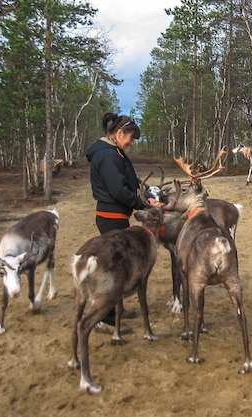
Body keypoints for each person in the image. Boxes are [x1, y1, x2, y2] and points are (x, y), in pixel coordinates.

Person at [85, 112, 150, 333]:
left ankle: (117, 310)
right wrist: (142, 204)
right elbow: (118, 190)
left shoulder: (114, 153)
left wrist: (145, 191)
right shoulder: (109, 156)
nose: (131, 143)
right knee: (112, 269)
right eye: (131, 138)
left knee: (118, 266)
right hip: (111, 218)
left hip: (116, 217)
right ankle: (104, 318)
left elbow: (129, 180)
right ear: (119, 133)